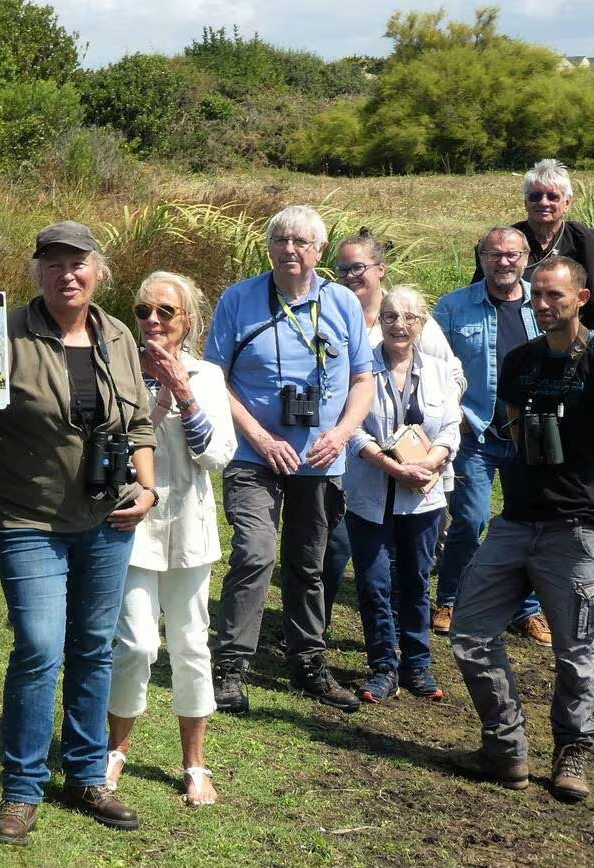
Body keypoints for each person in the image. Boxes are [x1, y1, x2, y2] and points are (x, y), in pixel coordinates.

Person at [0, 221, 156, 845]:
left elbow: (141, 424)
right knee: (40, 646)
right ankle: (21, 790)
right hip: (27, 519)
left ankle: (88, 775)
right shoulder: (2, 333)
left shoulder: (117, 333)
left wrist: (147, 490)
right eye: (53, 263)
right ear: (36, 271)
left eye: (78, 263)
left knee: (94, 647)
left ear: (97, 270)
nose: (67, 274)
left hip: (108, 520)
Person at [449, 256, 594, 803]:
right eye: (536, 295)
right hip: (516, 521)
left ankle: (571, 752)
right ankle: (506, 749)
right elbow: (513, 431)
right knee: (468, 633)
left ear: (581, 299)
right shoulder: (519, 361)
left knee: (574, 651)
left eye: (554, 296)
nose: (542, 305)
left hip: (577, 529)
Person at [204, 205, 375, 715]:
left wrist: (343, 433)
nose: (291, 249)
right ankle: (230, 666)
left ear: (321, 250)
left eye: (303, 242)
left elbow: (364, 380)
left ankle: (309, 665)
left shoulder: (342, 302)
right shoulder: (240, 299)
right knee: (255, 553)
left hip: (321, 459)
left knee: (309, 563)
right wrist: (257, 435)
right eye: (282, 239)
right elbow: (216, 380)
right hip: (255, 457)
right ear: (270, 246)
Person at [106, 271, 236, 807]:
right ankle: (114, 751)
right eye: (143, 311)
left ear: (187, 322)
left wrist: (182, 391)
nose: (153, 321)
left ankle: (195, 764)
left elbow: (216, 455)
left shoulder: (207, 375)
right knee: (136, 643)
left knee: (189, 645)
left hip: (187, 524)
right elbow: (111, 444)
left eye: (166, 312)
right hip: (129, 524)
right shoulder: (114, 368)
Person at [322, 229, 463, 626]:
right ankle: (317, 626)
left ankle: (406, 633)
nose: (350, 275)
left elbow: (451, 372)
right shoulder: (334, 316)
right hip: (353, 455)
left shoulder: (411, 316)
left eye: (358, 267)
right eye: (343, 268)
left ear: (380, 270)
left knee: (410, 555)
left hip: (419, 463)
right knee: (335, 544)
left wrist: (437, 423)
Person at [432, 227, 550, 647]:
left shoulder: (545, 301)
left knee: (531, 523)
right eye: (495, 254)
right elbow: (431, 369)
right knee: (470, 519)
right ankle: (450, 598)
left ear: (526, 258)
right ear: (480, 257)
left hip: (533, 433)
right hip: (476, 433)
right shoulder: (453, 306)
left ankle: (527, 609)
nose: (504, 262)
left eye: (512, 255)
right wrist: (453, 415)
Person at [342, 286, 460, 703]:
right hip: (370, 491)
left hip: (423, 496)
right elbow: (350, 429)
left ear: (422, 324)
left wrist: (431, 462)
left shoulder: (440, 370)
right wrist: (389, 464)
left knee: (414, 580)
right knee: (374, 584)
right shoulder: (361, 370)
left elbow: (450, 425)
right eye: (391, 316)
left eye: (410, 318)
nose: (400, 325)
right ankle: (382, 668)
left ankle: (417, 665)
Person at [471, 159, 594, 344]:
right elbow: (476, 296)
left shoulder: (586, 242)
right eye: (535, 196)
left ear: (567, 203)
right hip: (516, 345)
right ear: (525, 203)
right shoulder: (507, 244)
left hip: (576, 348)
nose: (543, 202)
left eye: (553, 196)